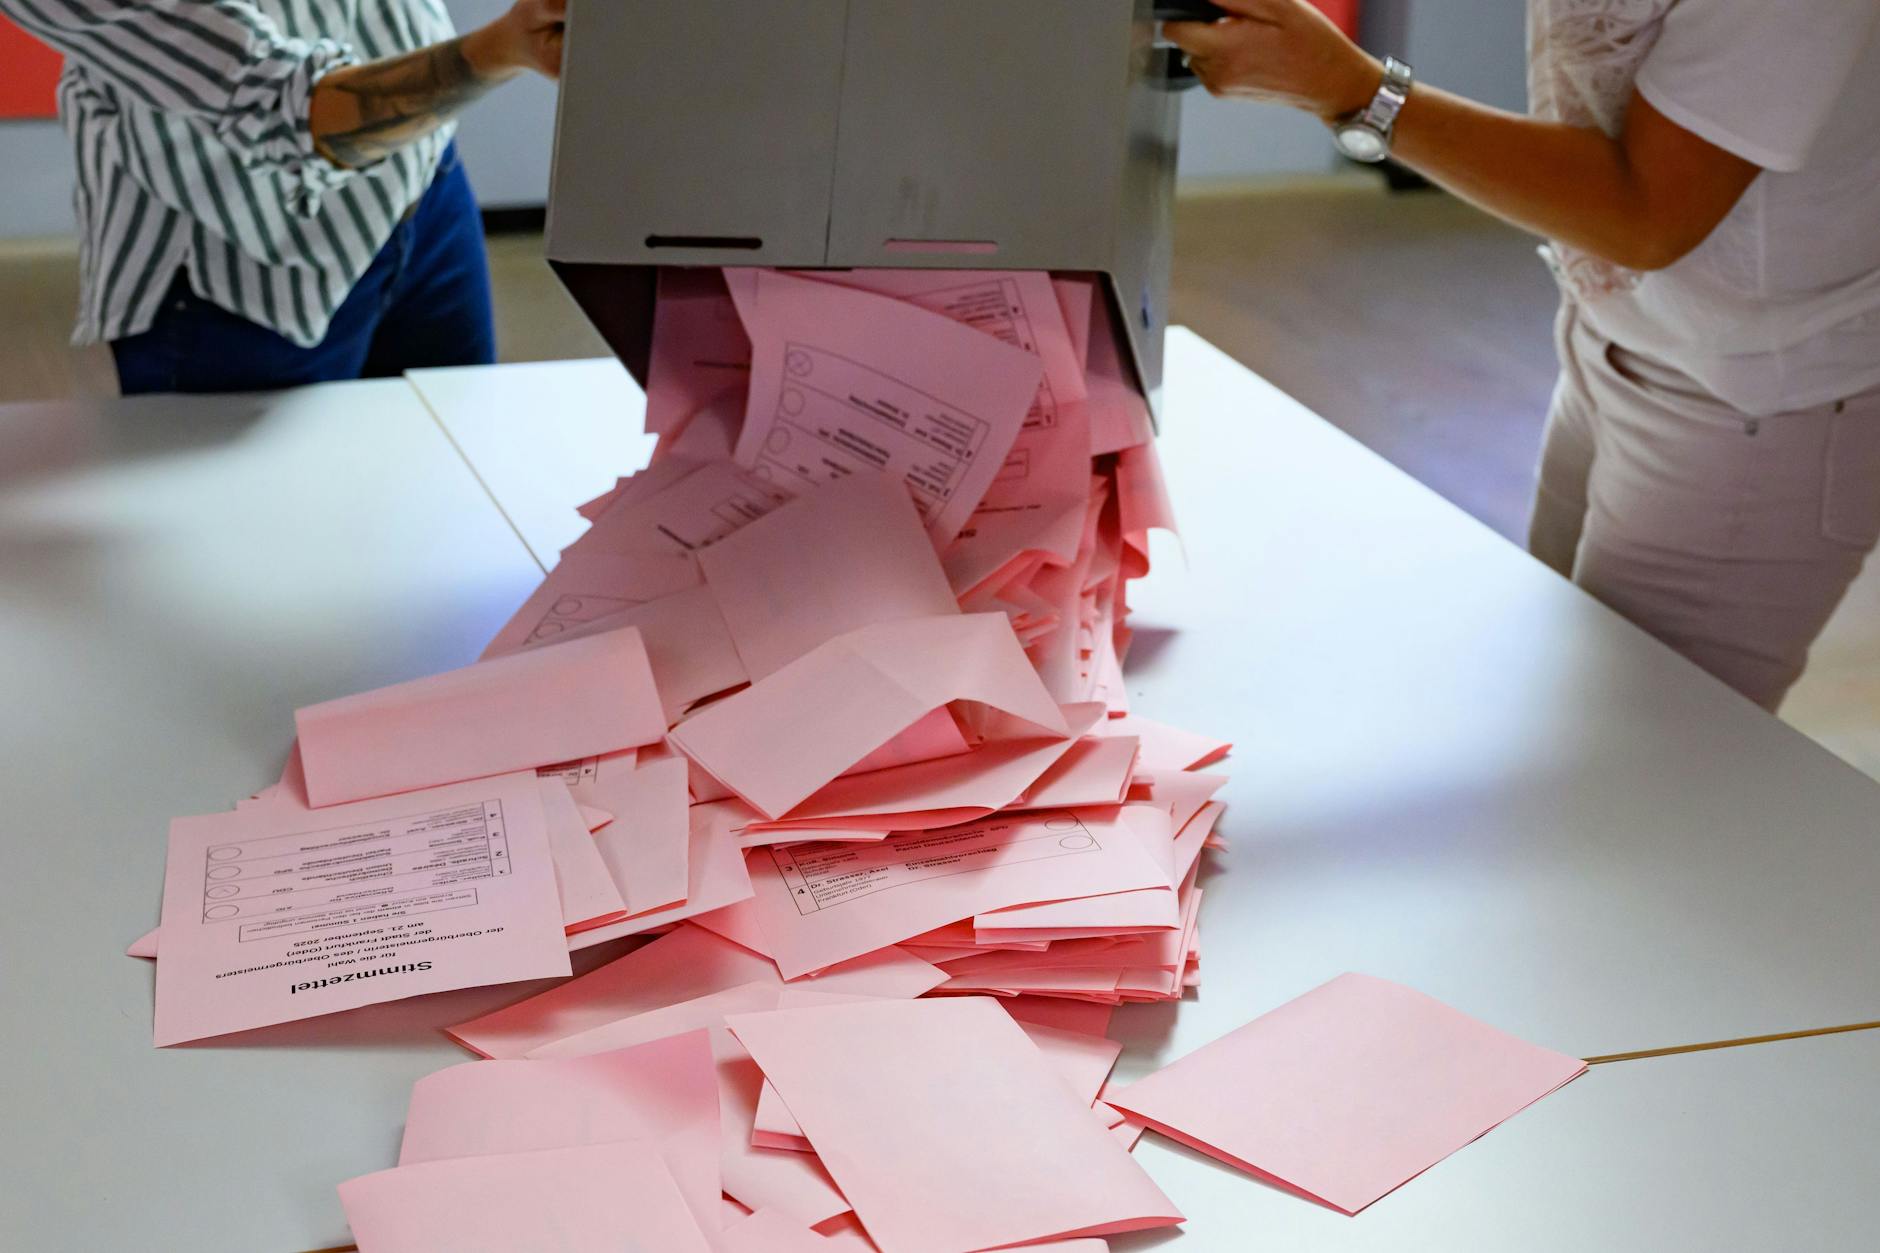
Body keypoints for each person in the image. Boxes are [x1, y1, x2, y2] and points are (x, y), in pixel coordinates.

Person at [1165, 0, 1880, 712]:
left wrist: (1357, 93)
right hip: (1618, 332)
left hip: (1758, 396)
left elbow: (1648, 215)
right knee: (1565, 703)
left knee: (1644, 753)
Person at [0, 0, 566, 394]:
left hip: (426, 185)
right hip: (239, 275)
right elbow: (289, 111)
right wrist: (505, 48)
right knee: (260, 527)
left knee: (447, 491)